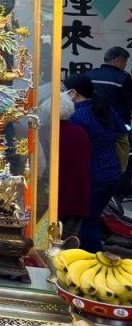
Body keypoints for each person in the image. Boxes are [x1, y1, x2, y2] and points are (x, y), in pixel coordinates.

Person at [64, 73, 124, 252]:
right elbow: (122, 133)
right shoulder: (105, 108)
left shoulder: (77, 116)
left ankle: (96, 261)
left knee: (87, 224)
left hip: (94, 176)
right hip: (112, 174)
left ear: (73, 93)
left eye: (63, 91)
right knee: (93, 219)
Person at [83, 47, 132, 195]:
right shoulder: (123, 78)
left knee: (93, 157)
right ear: (119, 61)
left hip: (90, 125)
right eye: (125, 62)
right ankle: (118, 192)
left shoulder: (89, 75)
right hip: (117, 127)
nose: (125, 65)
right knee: (120, 158)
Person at [55, 91, 92, 244]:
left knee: (49, 244)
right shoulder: (80, 132)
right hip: (77, 197)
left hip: (56, 199)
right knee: (69, 243)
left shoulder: (50, 133)